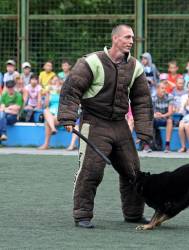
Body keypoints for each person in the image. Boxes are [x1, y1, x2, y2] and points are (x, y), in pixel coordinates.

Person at [57, 24, 153, 228]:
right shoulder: (91, 62)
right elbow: (72, 88)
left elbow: (142, 100)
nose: (131, 41)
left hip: (120, 125)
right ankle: (82, 215)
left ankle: (134, 214)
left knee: (133, 171)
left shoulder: (135, 67)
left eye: (132, 38)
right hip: (94, 123)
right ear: (115, 39)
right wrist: (67, 118)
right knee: (91, 170)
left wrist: (144, 131)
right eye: (127, 37)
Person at [143, 82, 173, 153]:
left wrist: (162, 115)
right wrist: (154, 114)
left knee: (170, 121)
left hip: (164, 118)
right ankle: (146, 145)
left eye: (165, 88)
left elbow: (170, 112)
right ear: (157, 89)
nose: (164, 90)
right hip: (154, 118)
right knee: (148, 119)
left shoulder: (170, 96)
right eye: (162, 88)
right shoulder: (152, 97)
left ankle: (167, 146)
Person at [38, 76, 62, 149]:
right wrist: (47, 95)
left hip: (59, 114)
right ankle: (53, 129)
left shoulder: (63, 90)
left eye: (56, 80)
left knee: (47, 122)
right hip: (51, 115)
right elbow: (46, 105)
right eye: (54, 81)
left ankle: (46, 145)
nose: (55, 82)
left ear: (59, 82)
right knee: (45, 110)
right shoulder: (50, 92)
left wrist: (61, 92)